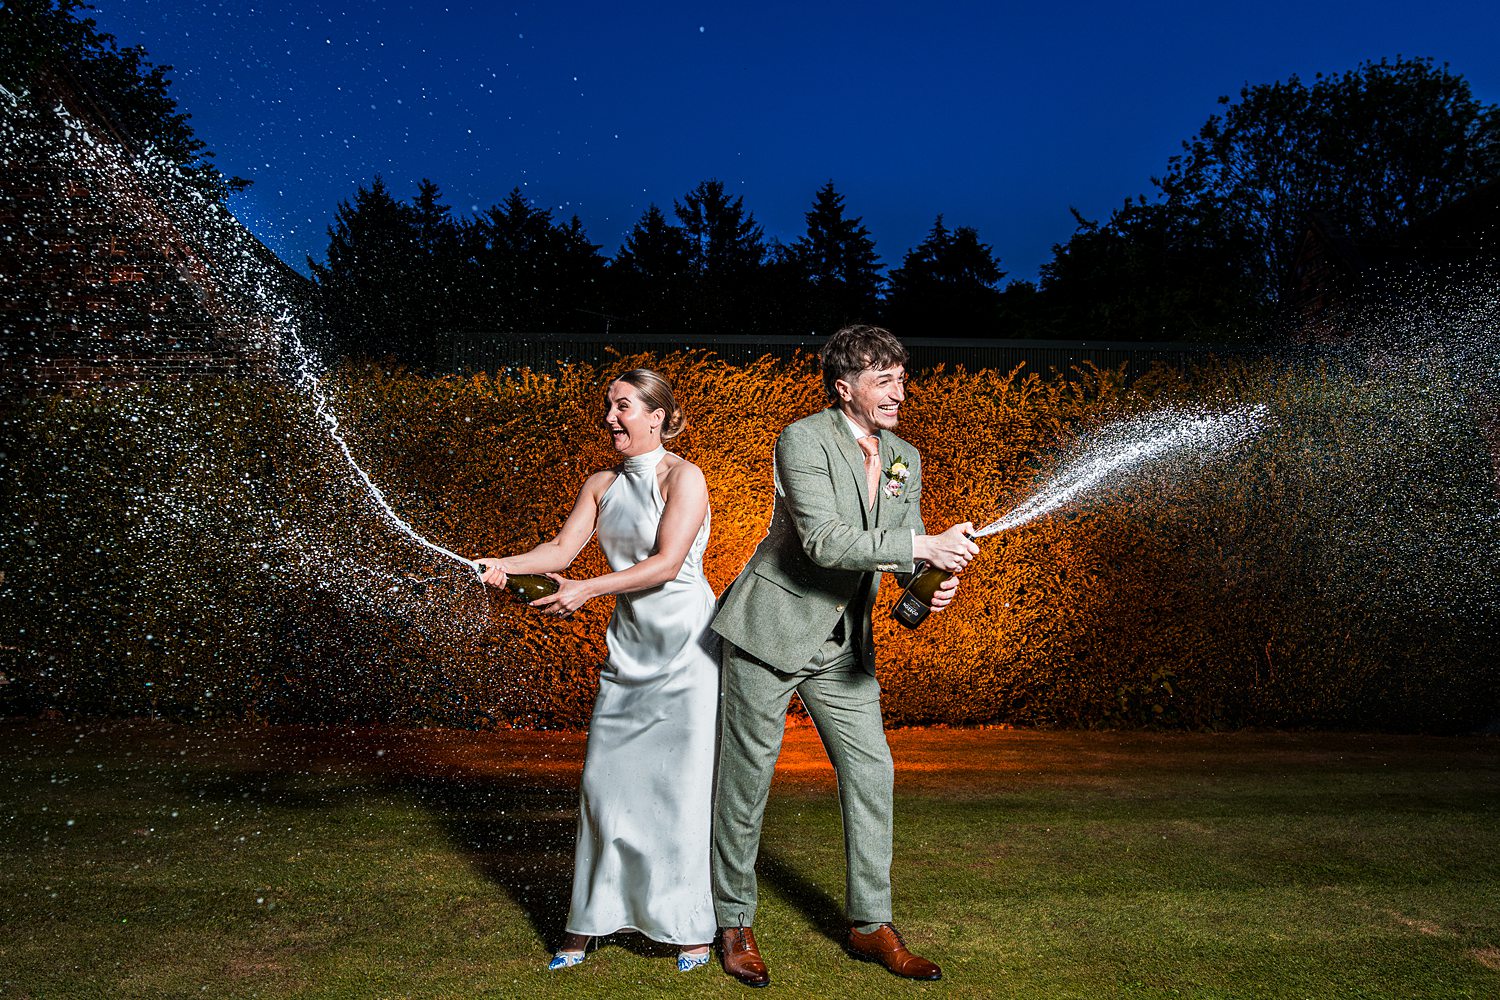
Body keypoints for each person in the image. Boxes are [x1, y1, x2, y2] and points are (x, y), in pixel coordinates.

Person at [710, 324, 978, 987]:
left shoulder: (904, 458)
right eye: (883, 379)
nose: (899, 390)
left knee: (872, 774)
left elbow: (901, 543)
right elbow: (828, 542)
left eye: (901, 377)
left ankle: (869, 925)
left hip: (842, 646)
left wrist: (927, 586)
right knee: (747, 786)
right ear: (844, 387)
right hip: (769, 632)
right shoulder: (802, 439)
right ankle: (733, 921)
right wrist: (924, 548)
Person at [477, 369, 717, 972]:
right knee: (602, 788)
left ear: (657, 415)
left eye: (623, 406)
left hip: (687, 649)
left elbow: (665, 563)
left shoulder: (685, 477)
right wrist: (500, 562)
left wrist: (588, 590)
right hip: (630, 646)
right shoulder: (600, 484)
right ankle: (587, 922)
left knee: (679, 792)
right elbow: (559, 553)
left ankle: (688, 928)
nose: (610, 417)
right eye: (609, 406)